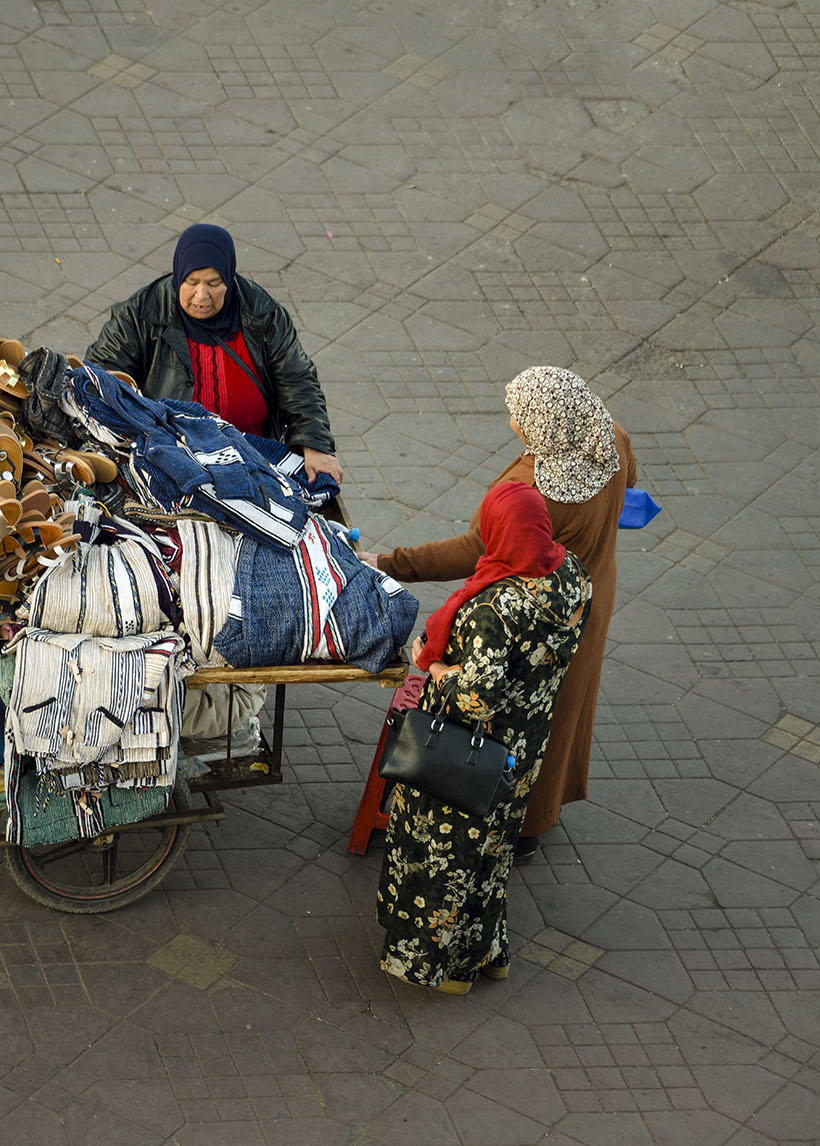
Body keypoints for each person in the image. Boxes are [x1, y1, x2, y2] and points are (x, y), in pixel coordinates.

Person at [362, 366, 635, 864]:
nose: (511, 420)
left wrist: (388, 563)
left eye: (519, 414)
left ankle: (512, 822)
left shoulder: (536, 489)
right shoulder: (608, 438)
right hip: (588, 598)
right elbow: (629, 487)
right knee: (561, 707)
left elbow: (476, 549)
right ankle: (539, 815)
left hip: (530, 618)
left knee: (515, 717)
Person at [378, 481, 591, 994]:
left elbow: (477, 698)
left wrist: (434, 665)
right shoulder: (571, 574)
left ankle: (448, 970)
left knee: (445, 860)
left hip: (467, 753)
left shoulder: (494, 610)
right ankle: (490, 952)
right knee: (492, 857)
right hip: (522, 753)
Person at [85, 222, 343, 483]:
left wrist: (315, 444)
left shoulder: (263, 315)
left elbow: (298, 381)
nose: (202, 295)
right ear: (178, 275)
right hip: (170, 462)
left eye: (214, 282)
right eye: (191, 281)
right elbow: (100, 375)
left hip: (253, 459)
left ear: (229, 278)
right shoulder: (140, 315)